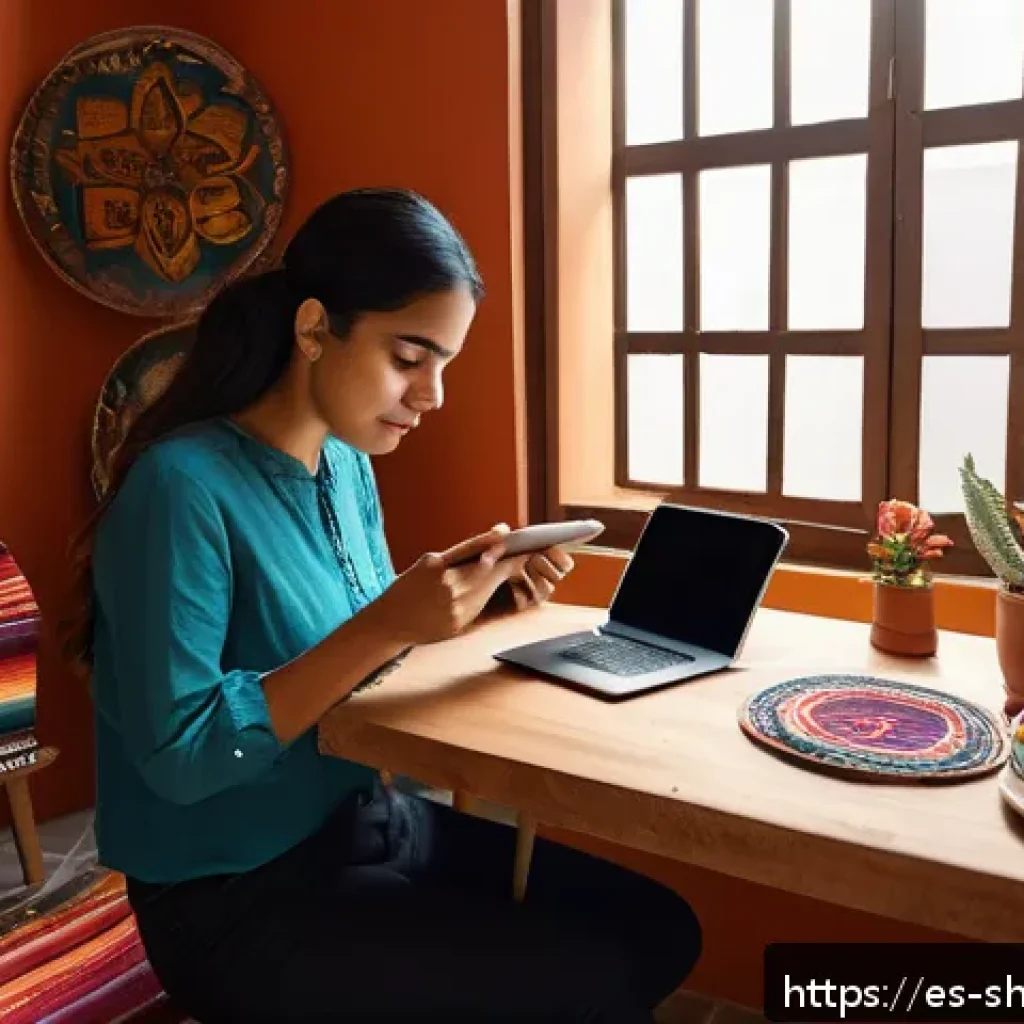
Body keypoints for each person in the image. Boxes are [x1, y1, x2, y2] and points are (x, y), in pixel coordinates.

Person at [62, 188, 702, 1022]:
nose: (431, 395)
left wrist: (475, 607)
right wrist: (389, 622)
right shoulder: (179, 490)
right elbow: (182, 757)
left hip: (368, 826)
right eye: (410, 357)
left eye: (444, 363)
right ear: (313, 328)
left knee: (658, 929)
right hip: (234, 899)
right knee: (600, 982)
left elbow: (359, 661)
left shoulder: (346, 467)